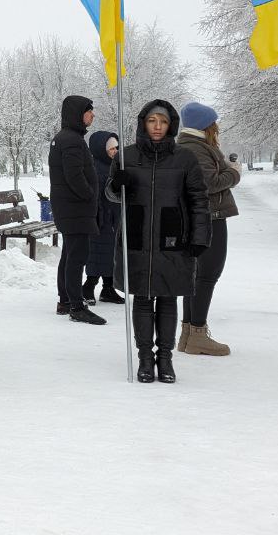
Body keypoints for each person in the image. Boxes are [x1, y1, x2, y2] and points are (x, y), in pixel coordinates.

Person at [107, 100, 209, 384]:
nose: (157, 127)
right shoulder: (125, 157)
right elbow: (112, 195)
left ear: (171, 125)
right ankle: (144, 358)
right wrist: (118, 184)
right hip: (137, 236)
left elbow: (198, 199)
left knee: (167, 297)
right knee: (142, 297)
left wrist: (200, 235)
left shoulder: (185, 158)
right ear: (143, 123)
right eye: (152, 121)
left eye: (162, 122)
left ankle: (165, 358)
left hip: (172, 237)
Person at [176, 102, 239, 356]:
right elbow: (209, 183)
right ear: (205, 125)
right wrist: (234, 173)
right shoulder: (197, 148)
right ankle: (197, 334)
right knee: (206, 276)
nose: (217, 127)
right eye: (215, 123)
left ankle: (188, 334)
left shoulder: (193, 146)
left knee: (196, 277)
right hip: (210, 217)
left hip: (201, 218)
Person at [49, 95, 106, 325]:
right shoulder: (71, 140)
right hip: (75, 208)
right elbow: (74, 176)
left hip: (69, 207)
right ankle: (76, 306)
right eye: (89, 111)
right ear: (77, 113)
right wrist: (90, 194)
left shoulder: (67, 137)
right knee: (77, 256)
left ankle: (65, 300)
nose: (93, 115)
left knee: (69, 254)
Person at [83, 131, 125, 306]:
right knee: (97, 253)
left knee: (112, 253)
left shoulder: (115, 166)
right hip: (100, 218)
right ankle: (88, 286)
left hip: (115, 217)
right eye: (111, 148)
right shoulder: (93, 167)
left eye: (116, 147)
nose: (115, 151)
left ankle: (108, 288)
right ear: (101, 149)